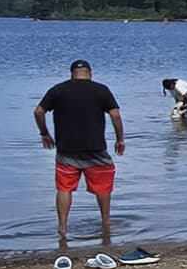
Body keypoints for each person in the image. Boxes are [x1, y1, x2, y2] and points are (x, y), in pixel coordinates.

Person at [35, 58, 125, 256]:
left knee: (64, 188)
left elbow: (39, 111)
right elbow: (115, 115)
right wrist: (120, 140)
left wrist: (44, 133)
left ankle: (62, 228)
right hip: (96, 149)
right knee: (103, 188)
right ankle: (106, 223)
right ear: (90, 73)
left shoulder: (58, 90)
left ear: (71, 74)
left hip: (67, 150)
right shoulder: (101, 90)